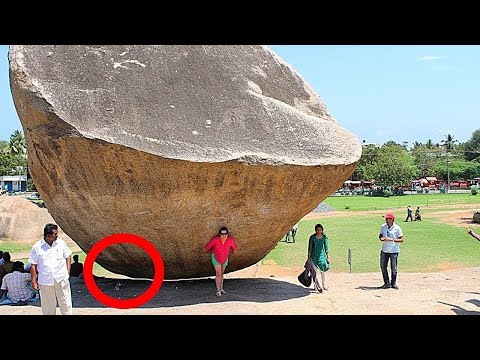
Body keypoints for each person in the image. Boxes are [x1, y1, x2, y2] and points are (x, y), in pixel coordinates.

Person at [29, 223, 73, 315]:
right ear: (48, 235)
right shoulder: (37, 247)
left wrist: (67, 272)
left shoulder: (61, 243)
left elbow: (68, 256)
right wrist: (33, 281)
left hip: (61, 278)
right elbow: (33, 265)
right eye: (55, 234)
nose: (57, 235)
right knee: (48, 305)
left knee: (65, 302)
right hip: (45, 281)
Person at [204, 226, 238, 297]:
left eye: (225, 234)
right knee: (218, 274)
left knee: (222, 274)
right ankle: (218, 291)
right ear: (219, 234)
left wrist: (234, 250)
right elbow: (207, 248)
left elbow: (234, 248)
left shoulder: (230, 240)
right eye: (222, 234)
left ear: (227, 234)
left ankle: (221, 289)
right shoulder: (215, 240)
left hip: (224, 258)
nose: (224, 235)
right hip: (216, 258)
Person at [379, 212, 403, 289]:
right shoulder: (383, 227)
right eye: (386, 218)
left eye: (387, 218)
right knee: (383, 267)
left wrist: (392, 239)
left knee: (394, 268)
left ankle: (393, 283)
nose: (386, 220)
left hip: (394, 250)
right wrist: (382, 239)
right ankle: (386, 283)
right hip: (385, 250)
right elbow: (380, 236)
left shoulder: (397, 228)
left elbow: (401, 239)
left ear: (392, 219)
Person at [306, 223, 330, 293]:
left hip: (322, 257)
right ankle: (315, 285)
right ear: (315, 230)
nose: (319, 231)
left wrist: (328, 257)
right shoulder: (312, 238)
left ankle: (324, 285)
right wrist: (308, 258)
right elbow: (310, 248)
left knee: (323, 271)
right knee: (314, 272)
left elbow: (326, 248)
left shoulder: (324, 238)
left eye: (320, 230)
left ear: (322, 230)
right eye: (317, 230)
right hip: (314, 257)